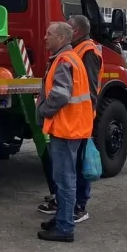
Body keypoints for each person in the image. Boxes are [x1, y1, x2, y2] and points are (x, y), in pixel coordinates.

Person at [37, 15, 101, 222]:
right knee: (70, 170)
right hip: (74, 120)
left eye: (49, 34)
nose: (45, 37)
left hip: (76, 121)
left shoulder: (86, 52)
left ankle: (77, 208)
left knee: (75, 170)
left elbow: (86, 89)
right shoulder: (73, 53)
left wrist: (45, 109)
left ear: (76, 31)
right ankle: (67, 208)